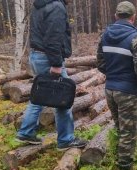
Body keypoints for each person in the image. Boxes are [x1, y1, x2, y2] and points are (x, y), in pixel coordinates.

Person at [15, 0, 87, 151]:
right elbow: (53, 37)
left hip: (37, 55)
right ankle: (66, 140)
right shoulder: (56, 7)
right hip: (48, 58)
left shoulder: (41, 4)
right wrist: (55, 64)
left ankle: (26, 132)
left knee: (40, 95)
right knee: (63, 97)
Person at [97, 1, 137, 170]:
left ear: (116, 16)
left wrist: (113, 75)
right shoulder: (136, 38)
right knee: (129, 131)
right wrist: (135, 84)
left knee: (119, 126)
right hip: (127, 91)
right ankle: (125, 168)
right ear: (133, 17)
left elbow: (100, 63)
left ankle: (118, 157)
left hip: (110, 89)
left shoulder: (104, 35)